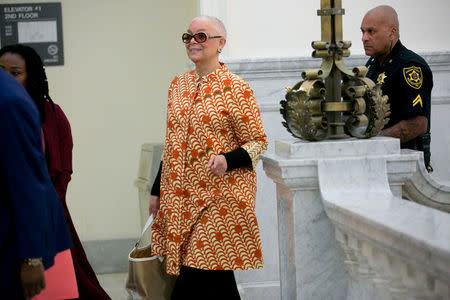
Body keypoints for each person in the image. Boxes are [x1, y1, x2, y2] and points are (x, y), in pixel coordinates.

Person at [149, 16, 268, 299]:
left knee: (199, 271)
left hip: (220, 199)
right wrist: (157, 190)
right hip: (181, 197)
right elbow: (173, 144)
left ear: (220, 43)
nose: (192, 41)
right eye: (188, 36)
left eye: (201, 36)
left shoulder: (237, 88)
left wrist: (227, 159)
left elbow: (258, 142)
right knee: (214, 278)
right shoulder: (178, 85)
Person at [0, 44, 110, 300]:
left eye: (15, 72)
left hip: (46, 216)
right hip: (12, 218)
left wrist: (47, 212)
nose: (7, 79)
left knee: (65, 288)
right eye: (1, 71)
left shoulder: (52, 115)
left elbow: (63, 172)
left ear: (32, 75)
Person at [0, 68, 72, 299]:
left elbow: (30, 182)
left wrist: (33, 257)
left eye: (17, 71)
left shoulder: (10, 101)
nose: (11, 76)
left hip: (24, 228)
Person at [361, 5, 433, 172]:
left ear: (392, 33)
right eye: (363, 31)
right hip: (379, 162)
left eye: (371, 31)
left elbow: (418, 124)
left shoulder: (410, 67)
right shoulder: (373, 64)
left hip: (405, 167)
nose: (364, 38)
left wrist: (372, 141)